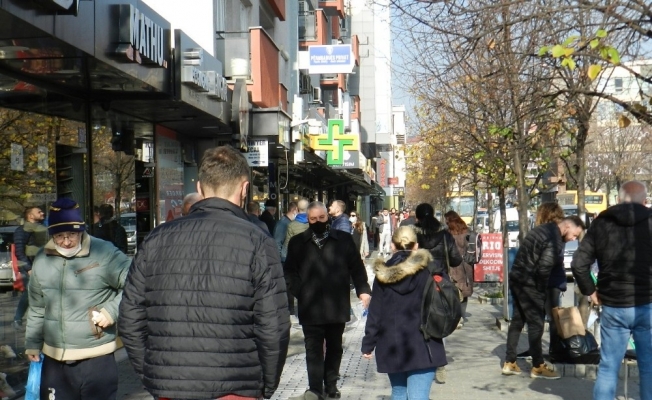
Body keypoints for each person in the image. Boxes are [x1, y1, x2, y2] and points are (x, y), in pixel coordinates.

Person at [119, 145, 290, 400]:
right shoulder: (257, 241)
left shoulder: (156, 239)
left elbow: (130, 317)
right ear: (245, 189)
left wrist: (153, 374)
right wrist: (267, 384)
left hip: (171, 387)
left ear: (199, 188)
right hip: (235, 388)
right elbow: (273, 324)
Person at [25, 198, 131, 400]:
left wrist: (112, 311)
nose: (66, 241)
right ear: (51, 234)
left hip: (97, 358)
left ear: (81, 231)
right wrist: (32, 342)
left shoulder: (105, 252)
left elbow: (135, 284)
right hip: (55, 361)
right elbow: (37, 306)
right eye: (59, 236)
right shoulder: (41, 259)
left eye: (72, 234)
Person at [572, 181, 652, 400]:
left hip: (613, 304)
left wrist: (591, 291)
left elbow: (578, 263)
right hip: (647, 303)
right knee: (649, 367)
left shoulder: (602, 223)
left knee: (608, 367)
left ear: (618, 200)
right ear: (645, 201)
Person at [284, 201, 371, 400]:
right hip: (310, 305)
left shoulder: (343, 240)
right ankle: (315, 389)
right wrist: (300, 291)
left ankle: (331, 385)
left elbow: (356, 267)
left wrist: (363, 290)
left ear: (328, 217)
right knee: (313, 349)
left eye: (321, 218)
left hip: (336, 303)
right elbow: (289, 271)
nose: (318, 222)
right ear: (308, 219)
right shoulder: (298, 242)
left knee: (334, 347)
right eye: (313, 219)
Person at [362, 226, 444, 400]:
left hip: (392, 345)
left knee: (398, 393)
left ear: (393, 245)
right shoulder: (431, 269)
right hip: (425, 342)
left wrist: (368, 344)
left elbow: (375, 314)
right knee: (418, 396)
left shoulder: (382, 275)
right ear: (416, 246)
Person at [502, 215, 585, 379]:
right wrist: (540, 291)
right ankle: (538, 366)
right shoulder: (554, 239)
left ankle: (509, 362)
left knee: (518, 320)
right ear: (567, 227)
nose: (573, 239)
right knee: (536, 324)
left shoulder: (542, 229)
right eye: (575, 235)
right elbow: (544, 267)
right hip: (530, 283)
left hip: (517, 278)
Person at [414, 203, 463, 384]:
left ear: (417, 217)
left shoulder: (413, 235)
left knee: (418, 320)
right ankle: (440, 363)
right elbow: (456, 260)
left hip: (418, 282)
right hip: (439, 283)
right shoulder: (445, 235)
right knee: (439, 318)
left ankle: (420, 360)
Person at [516, 202, 567, 361]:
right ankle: (548, 350)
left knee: (545, 317)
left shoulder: (549, 232)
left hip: (546, 280)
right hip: (552, 280)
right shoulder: (558, 231)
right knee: (549, 317)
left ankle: (547, 350)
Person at [12, 206, 47, 330]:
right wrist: (28, 268)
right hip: (30, 267)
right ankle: (18, 318)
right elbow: (19, 251)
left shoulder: (42, 229)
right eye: (39, 212)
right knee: (29, 292)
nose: (42, 213)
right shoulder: (21, 231)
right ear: (30, 216)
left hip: (42, 265)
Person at [444, 210, 474, 328]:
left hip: (452, 266)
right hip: (466, 266)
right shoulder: (467, 232)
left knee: (453, 292)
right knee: (464, 293)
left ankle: (456, 317)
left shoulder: (447, 234)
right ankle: (460, 316)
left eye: (447, 221)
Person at [274, 202, 299, 316]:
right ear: (294, 210)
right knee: (287, 285)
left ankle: (291, 309)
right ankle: (289, 309)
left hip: (287, 258)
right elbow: (277, 242)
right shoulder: (283, 224)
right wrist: (279, 259)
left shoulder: (288, 223)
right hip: (284, 259)